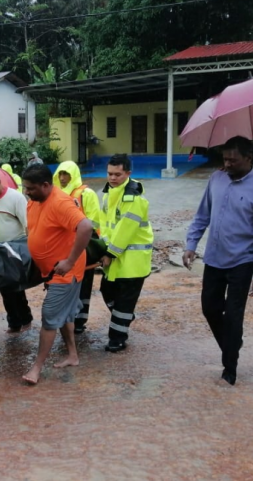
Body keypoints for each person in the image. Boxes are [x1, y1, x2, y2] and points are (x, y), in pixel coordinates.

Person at [183, 136, 253, 386]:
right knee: (210, 308)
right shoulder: (216, 178)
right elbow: (202, 215)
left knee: (234, 316)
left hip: (242, 262)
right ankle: (232, 343)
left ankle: (229, 367)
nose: (228, 164)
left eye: (234, 160)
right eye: (225, 159)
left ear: (249, 158)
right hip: (213, 258)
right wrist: (191, 245)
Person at [21, 164, 93, 385]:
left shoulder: (60, 202)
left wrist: (70, 261)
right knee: (63, 314)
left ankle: (36, 368)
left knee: (50, 316)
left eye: (31, 188)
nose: (26, 192)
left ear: (45, 185)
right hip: (50, 271)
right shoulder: (35, 200)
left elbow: (86, 226)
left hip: (66, 273)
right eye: (25, 187)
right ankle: (72, 355)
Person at [98, 154, 154, 351]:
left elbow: (125, 231)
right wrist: (102, 248)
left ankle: (117, 339)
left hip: (132, 261)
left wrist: (110, 253)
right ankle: (125, 317)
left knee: (123, 301)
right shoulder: (108, 194)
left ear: (128, 174)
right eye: (110, 174)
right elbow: (104, 225)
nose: (112, 178)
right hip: (116, 256)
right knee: (107, 291)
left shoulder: (133, 197)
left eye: (117, 174)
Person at [0, 170, 32, 332]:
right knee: (3, 287)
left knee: (16, 286)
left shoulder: (16, 198)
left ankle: (25, 319)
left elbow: (27, 224)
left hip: (15, 250)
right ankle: (14, 322)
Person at [53, 160, 102, 334]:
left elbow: (95, 221)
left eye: (66, 174)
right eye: (60, 174)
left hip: (82, 247)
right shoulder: (56, 194)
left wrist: (95, 246)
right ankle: (66, 319)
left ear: (73, 174)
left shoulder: (85, 193)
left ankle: (80, 320)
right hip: (62, 248)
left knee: (84, 283)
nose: (62, 177)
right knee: (64, 283)